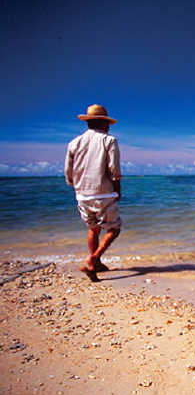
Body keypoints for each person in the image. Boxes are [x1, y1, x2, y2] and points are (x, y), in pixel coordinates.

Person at [65, 104, 123, 282]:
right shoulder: (109, 140)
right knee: (114, 228)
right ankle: (94, 258)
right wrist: (117, 189)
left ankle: (95, 266)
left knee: (93, 228)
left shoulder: (74, 143)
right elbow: (113, 168)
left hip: (82, 193)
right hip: (104, 191)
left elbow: (68, 171)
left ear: (88, 123)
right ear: (105, 124)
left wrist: (74, 185)